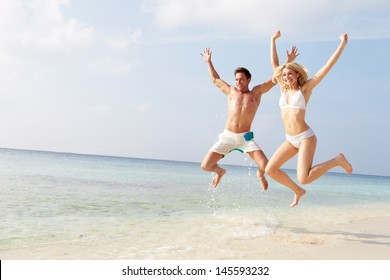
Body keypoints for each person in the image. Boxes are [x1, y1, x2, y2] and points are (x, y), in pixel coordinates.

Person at [266, 30, 353, 207]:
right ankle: (298, 191)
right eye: (284, 75)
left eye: (290, 74)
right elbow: (275, 65)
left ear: (298, 74)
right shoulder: (283, 89)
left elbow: (326, 67)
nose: (286, 77)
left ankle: (337, 160)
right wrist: (272, 40)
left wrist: (342, 44)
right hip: (290, 140)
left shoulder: (305, 89)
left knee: (303, 178)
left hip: (305, 137)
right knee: (270, 169)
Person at [200, 47, 297, 190]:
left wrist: (288, 61)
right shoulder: (231, 91)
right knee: (205, 165)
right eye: (236, 80)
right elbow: (215, 79)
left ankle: (260, 174)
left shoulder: (256, 93)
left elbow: (275, 79)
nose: (238, 82)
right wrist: (208, 62)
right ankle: (220, 172)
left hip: (245, 138)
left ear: (248, 79)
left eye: (241, 79)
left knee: (266, 166)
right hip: (227, 136)